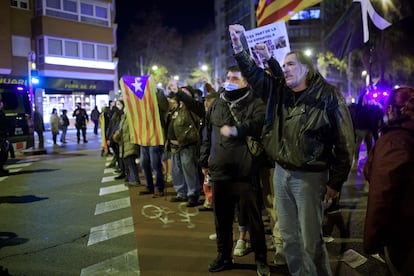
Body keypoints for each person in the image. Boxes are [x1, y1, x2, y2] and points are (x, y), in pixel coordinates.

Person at [229, 24, 354, 276]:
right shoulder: (279, 91)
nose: (285, 69)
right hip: (281, 173)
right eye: (283, 65)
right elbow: (254, 74)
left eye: (291, 64)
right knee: (288, 237)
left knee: (311, 240)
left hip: (310, 177)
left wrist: (336, 182)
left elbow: (345, 143)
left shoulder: (328, 96)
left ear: (307, 68)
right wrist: (239, 47)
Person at [199, 65, 270, 275]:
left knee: (253, 221)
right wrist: (204, 162)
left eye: (235, 78)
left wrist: (238, 129)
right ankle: (224, 256)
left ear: (245, 82)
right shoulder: (217, 104)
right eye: (228, 77)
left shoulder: (255, 103)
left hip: (245, 174)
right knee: (221, 221)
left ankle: (261, 259)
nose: (229, 81)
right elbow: (206, 133)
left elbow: (257, 123)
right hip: (220, 173)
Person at [363, 86, 414, 276]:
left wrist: (372, 239)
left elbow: (382, 194)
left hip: (404, 236)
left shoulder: (395, 141)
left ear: (391, 110)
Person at [167, 83, 204, 207]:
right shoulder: (176, 108)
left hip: (187, 145)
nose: (180, 95)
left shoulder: (191, 107)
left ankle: (193, 194)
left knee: (189, 170)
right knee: (177, 171)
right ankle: (181, 193)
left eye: (184, 93)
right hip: (175, 146)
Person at [139, 88, 169, 197]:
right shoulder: (141, 101)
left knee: (155, 164)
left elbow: (164, 106)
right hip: (144, 137)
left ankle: (159, 187)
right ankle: (149, 186)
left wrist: (158, 92)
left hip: (156, 137)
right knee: (144, 163)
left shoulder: (158, 102)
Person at [0, 99, 11, 176]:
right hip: (1, 136)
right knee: (2, 153)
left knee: (4, 153)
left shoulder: (1, 113)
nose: (2, 104)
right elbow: (3, 122)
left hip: (3, 135)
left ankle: (1, 169)